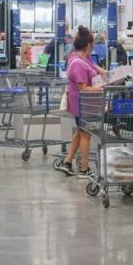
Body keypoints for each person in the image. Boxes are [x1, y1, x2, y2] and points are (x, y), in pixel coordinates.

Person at [58, 26, 102, 179]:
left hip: (84, 104)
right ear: (88, 45)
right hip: (82, 105)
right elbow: (82, 88)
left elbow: (95, 67)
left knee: (80, 131)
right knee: (85, 135)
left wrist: (110, 74)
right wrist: (100, 88)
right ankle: (84, 169)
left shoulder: (80, 57)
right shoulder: (78, 63)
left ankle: (67, 162)